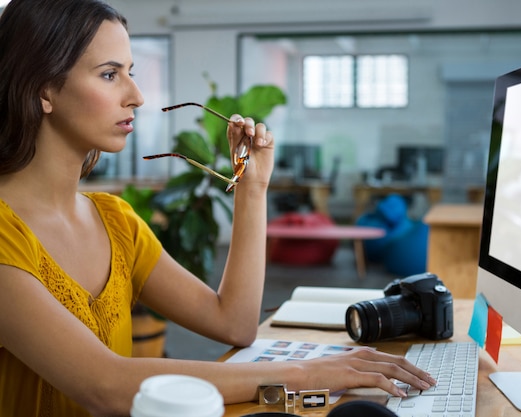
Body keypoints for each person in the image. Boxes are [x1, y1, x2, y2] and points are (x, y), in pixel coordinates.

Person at [0, 0, 436, 416]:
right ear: (45, 90)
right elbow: (105, 385)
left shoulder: (116, 222)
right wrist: (302, 373)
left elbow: (234, 323)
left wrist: (251, 188)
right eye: (110, 74)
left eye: (130, 72)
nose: (137, 95)